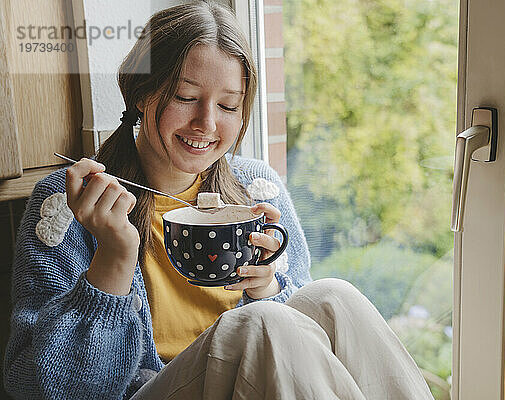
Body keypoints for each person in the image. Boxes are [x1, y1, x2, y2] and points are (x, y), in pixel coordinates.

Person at [3, 2, 434, 399]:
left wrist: (267, 289)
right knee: (263, 323)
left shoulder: (257, 187)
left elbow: (299, 350)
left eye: (228, 106)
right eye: (185, 98)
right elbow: (39, 389)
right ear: (141, 93)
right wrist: (113, 262)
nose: (206, 124)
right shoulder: (69, 204)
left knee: (332, 297)